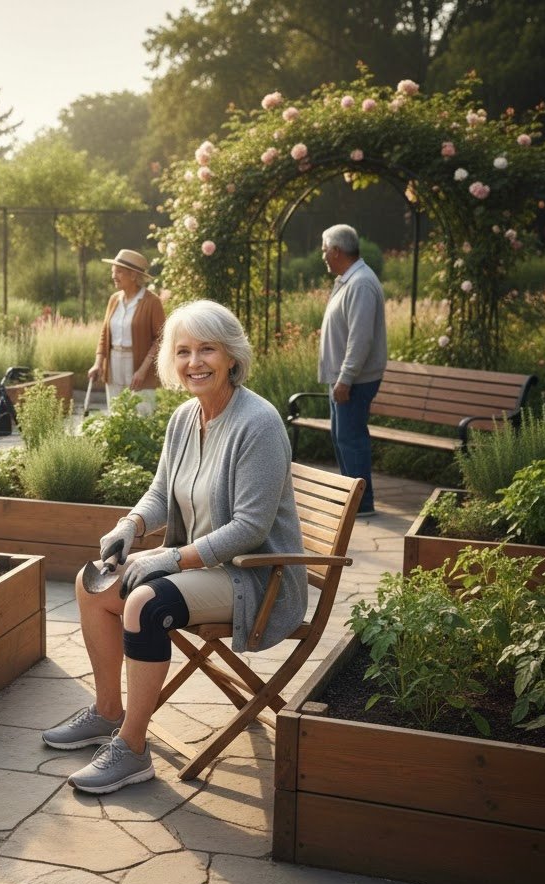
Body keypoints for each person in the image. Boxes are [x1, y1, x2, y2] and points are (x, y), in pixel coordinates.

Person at [42, 299, 308, 794]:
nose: (194, 362)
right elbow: (162, 493)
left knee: (145, 602)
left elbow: (250, 528)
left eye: (208, 349)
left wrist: (169, 557)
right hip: (202, 565)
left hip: (256, 575)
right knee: (90, 582)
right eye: (183, 351)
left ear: (232, 355)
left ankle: (133, 749)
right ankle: (107, 711)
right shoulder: (185, 417)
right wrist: (131, 525)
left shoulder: (259, 423)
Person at [319, 224, 387, 517]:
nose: (323, 255)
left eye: (324, 250)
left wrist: (345, 379)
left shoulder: (360, 284)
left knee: (351, 438)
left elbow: (361, 339)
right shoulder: (349, 280)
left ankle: (362, 503)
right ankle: (350, 499)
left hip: (354, 380)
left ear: (336, 251)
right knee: (342, 437)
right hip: (344, 378)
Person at [88, 249, 166, 413]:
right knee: (116, 414)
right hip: (114, 363)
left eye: (119, 272)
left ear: (133, 275)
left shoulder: (152, 302)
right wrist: (98, 363)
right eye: (113, 271)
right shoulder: (114, 299)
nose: (113, 276)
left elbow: (161, 339)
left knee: (142, 414)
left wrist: (142, 371)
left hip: (139, 365)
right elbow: (104, 334)